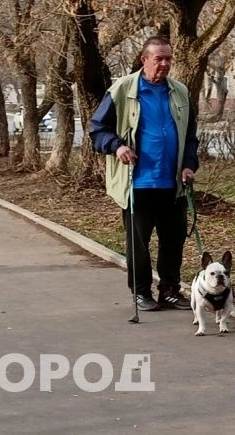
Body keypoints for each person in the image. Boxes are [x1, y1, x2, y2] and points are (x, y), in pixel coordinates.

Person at [89, 36, 199, 311]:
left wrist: (189, 164)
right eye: (158, 58)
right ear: (144, 59)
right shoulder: (122, 90)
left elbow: (190, 137)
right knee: (138, 243)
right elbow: (97, 130)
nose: (164, 64)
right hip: (137, 182)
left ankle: (170, 290)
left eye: (168, 58)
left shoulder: (180, 92)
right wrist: (117, 147)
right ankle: (140, 292)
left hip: (173, 182)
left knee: (173, 240)